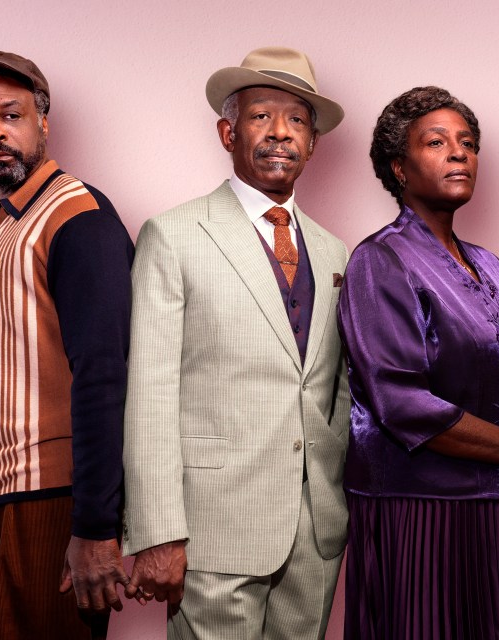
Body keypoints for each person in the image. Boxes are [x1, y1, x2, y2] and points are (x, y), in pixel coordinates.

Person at [121, 46, 351, 639]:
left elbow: (339, 391)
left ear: (314, 143)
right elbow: (149, 392)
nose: (281, 133)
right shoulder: (172, 236)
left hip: (314, 532)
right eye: (261, 116)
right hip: (211, 529)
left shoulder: (335, 253)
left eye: (298, 120)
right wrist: (157, 532)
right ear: (227, 131)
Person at [338, 86, 499, 639]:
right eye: (437, 142)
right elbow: (402, 403)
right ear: (399, 167)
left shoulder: (491, 266)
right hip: (424, 510)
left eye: (467, 143)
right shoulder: (380, 260)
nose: (459, 152)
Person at [0, 50, 134, 640]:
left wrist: (95, 527)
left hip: (44, 505)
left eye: (10, 115)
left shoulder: (76, 216)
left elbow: (104, 375)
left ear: (42, 121)